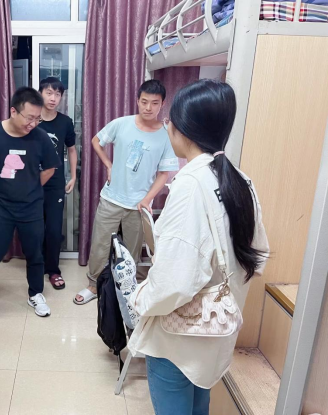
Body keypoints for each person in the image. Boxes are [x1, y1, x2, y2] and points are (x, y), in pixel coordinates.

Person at [128, 80, 269, 414]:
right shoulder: (240, 180)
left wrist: (139, 301)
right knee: (199, 404)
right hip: (216, 332)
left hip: (179, 340)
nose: (167, 126)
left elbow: (174, 282)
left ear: (182, 130)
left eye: (169, 120)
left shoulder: (190, 186)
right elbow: (258, 256)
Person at [74, 80, 179, 305]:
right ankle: (93, 285)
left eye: (154, 103)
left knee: (131, 251)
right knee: (100, 245)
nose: (148, 107)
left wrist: (147, 199)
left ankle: (127, 289)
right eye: (144, 101)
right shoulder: (121, 124)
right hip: (111, 198)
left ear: (162, 104)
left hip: (139, 204)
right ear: (137, 100)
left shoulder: (165, 136)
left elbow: (164, 173)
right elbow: (96, 141)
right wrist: (108, 165)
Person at [0, 87, 60, 317]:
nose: (33, 123)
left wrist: (30, 186)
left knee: (35, 253)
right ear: (13, 111)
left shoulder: (40, 137)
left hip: (31, 207)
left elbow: (50, 168)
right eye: (29, 118)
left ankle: (35, 294)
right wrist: (1, 184)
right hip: (0, 207)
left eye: (37, 119)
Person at [38, 77, 77, 290]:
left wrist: (73, 176)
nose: (53, 98)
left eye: (57, 94)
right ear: (40, 94)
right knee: (34, 229)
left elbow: (71, 149)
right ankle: (36, 267)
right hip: (32, 183)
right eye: (49, 93)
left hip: (55, 183)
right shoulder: (32, 119)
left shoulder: (65, 122)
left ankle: (53, 270)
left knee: (54, 229)